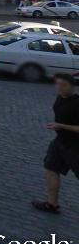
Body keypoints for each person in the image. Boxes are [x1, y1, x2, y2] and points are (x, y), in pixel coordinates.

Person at [32, 74, 79, 214]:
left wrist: (62, 126)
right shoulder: (60, 98)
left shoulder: (77, 103)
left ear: (72, 86)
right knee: (51, 169)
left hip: (76, 147)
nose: (59, 87)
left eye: (63, 84)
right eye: (57, 84)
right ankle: (52, 204)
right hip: (60, 143)